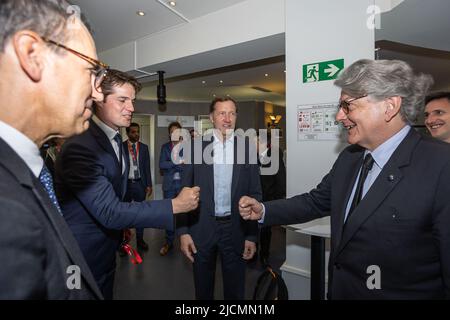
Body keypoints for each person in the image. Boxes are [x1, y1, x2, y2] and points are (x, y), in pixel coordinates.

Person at [239, 59, 450, 299]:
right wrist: (263, 210)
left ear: (389, 106)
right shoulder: (350, 158)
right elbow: (316, 201)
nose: (339, 116)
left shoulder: (441, 165)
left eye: (347, 106)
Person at [54, 69, 199, 299]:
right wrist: (173, 205)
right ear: (98, 97)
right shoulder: (81, 146)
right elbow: (110, 211)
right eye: (122, 100)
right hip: (80, 259)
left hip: (104, 254)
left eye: (132, 100)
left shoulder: (113, 140)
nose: (131, 108)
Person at [0, 0, 103, 299]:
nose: (97, 93)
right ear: (32, 56)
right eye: (91, 70)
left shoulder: (26, 168)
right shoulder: (7, 211)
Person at [177, 97, 262, 300]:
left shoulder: (247, 149)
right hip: (202, 227)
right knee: (203, 289)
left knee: (235, 290)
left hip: (236, 229)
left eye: (232, 113)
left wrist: (251, 236)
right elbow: (183, 193)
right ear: (212, 117)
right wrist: (183, 232)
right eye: (222, 113)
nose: (227, 118)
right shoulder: (195, 148)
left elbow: (255, 194)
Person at [256, 131, 286, 267]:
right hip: (253, 199)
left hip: (268, 200)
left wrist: (277, 203)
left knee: (266, 230)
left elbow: (281, 180)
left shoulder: (274, 156)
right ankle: (253, 252)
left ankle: (264, 255)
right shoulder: (250, 157)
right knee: (252, 228)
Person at [123, 122, 152, 251]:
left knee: (141, 213)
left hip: (140, 184)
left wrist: (149, 184)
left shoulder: (144, 148)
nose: (137, 134)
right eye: (133, 132)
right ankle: (123, 243)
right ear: (127, 133)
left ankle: (140, 240)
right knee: (124, 213)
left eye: (138, 131)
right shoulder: (121, 147)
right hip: (126, 185)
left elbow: (146, 168)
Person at [159, 121, 183, 256]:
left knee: (185, 216)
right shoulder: (165, 148)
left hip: (183, 186)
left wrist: (171, 163)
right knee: (169, 215)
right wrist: (178, 162)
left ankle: (186, 240)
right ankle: (169, 242)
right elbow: (162, 164)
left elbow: (187, 165)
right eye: (172, 131)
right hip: (169, 186)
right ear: (169, 134)